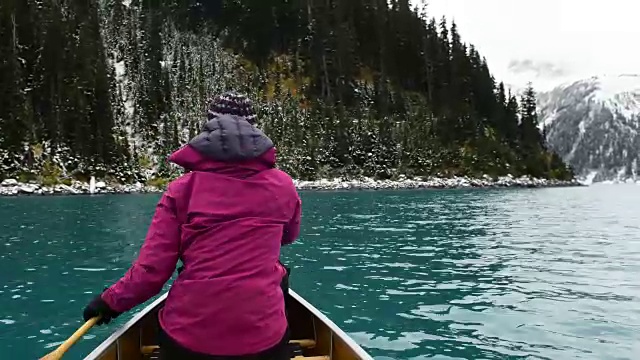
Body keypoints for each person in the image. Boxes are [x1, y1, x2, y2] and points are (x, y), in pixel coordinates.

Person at [82, 91, 302, 360]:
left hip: (188, 344)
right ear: (254, 130)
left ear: (209, 128)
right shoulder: (283, 185)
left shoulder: (181, 190)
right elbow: (288, 236)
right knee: (279, 274)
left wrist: (108, 303)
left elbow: (151, 274)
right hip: (264, 345)